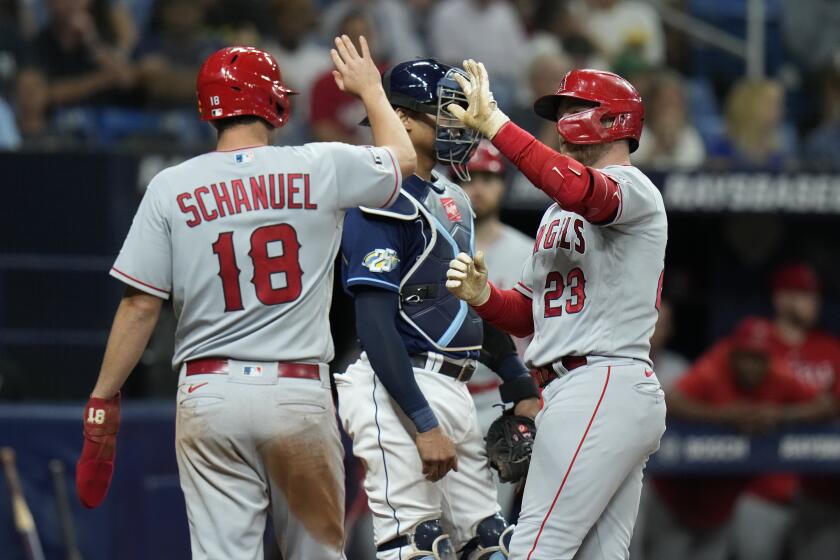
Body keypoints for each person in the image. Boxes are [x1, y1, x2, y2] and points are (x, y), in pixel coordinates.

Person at [74, 38, 416, 559]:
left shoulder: (170, 186)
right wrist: (371, 89)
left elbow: (140, 306)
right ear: (274, 102)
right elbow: (404, 159)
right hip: (296, 391)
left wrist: (103, 398)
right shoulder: (319, 163)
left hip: (208, 393)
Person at [446, 61, 667, 558]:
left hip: (601, 382)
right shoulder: (553, 214)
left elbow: (580, 190)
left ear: (611, 120)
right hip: (584, 387)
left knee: (534, 548)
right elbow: (527, 314)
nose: (563, 121)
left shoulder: (635, 189)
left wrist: (498, 127)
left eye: (574, 108)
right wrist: (484, 298)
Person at [335, 58, 540, 559]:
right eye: (442, 115)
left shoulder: (454, 197)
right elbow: (374, 323)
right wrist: (424, 423)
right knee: (415, 544)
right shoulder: (377, 193)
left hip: (458, 384)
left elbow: (464, 303)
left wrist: (516, 380)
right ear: (402, 118)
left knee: (490, 541)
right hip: (395, 383)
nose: (456, 126)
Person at [650, 317, 835, 560]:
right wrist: (723, 416)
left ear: (769, 358)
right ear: (733, 352)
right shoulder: (715, 365)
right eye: (746, 356)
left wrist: (779, 414)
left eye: (759, 358)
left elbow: (826, 405)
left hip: (720, 510)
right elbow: (670, 402)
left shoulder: (777, 372)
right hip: (674, 503)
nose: (751, 366)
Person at [456, 140, 534, 518]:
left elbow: (542, 335)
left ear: (503, 185)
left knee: (489, 527)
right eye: (469, 177)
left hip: (497, 402)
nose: (478, 188)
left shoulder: (527, 252)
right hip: (442, 393)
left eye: (489, 177)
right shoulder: (437, 245)